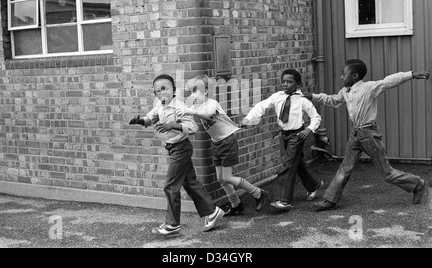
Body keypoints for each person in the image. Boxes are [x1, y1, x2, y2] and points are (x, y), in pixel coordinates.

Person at [304, 59, 430, 211]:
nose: (341, 77)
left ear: (355, 75)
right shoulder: (345, 91)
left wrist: (411, 75)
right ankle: (329, 200)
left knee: (387, 173)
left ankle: (418, 184)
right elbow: (333, 100)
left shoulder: (369, 88)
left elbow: (388, 81)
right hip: (355, 134)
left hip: (369, 134)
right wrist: (313, 96)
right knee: (344, 169)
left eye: (344, 74)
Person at [129, 74, 225, 236]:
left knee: (171, 185)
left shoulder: (179, 107)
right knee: (190, 182)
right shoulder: (159, 106)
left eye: (165, 88)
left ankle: (173, 224)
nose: (161, 93)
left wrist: (174, 125)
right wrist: (140, 121)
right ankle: (212, 210)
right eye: (157, 91)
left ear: (174, 90)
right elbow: (150, 118)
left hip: (181, 149)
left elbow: (193, 127)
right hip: (174, 148)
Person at [176, 75, 267, 217]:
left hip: (227, 141)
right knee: (221, 178)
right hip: (216, 143)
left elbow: (206, 115)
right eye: (190, 92)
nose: (192, 96)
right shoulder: (196, 106)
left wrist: (190, 110)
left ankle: (258, 192)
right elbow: (188, 114)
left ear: (205, 92)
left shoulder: (212, 103)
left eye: (195, 92)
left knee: (228, 177)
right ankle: (236, 204)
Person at [241, 69, 324, 211]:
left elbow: (316, 117)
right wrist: (248, 118)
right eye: (284, 81)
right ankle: (314, 184)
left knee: (288, 165)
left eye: (290, 82)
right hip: (284, 134)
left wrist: (308, 130)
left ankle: (282, 200)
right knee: (297, 163)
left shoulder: (303, 100)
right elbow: (261, 106)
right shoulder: (277, 96)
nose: (285, 84)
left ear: (298, 84)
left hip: (298, 135)